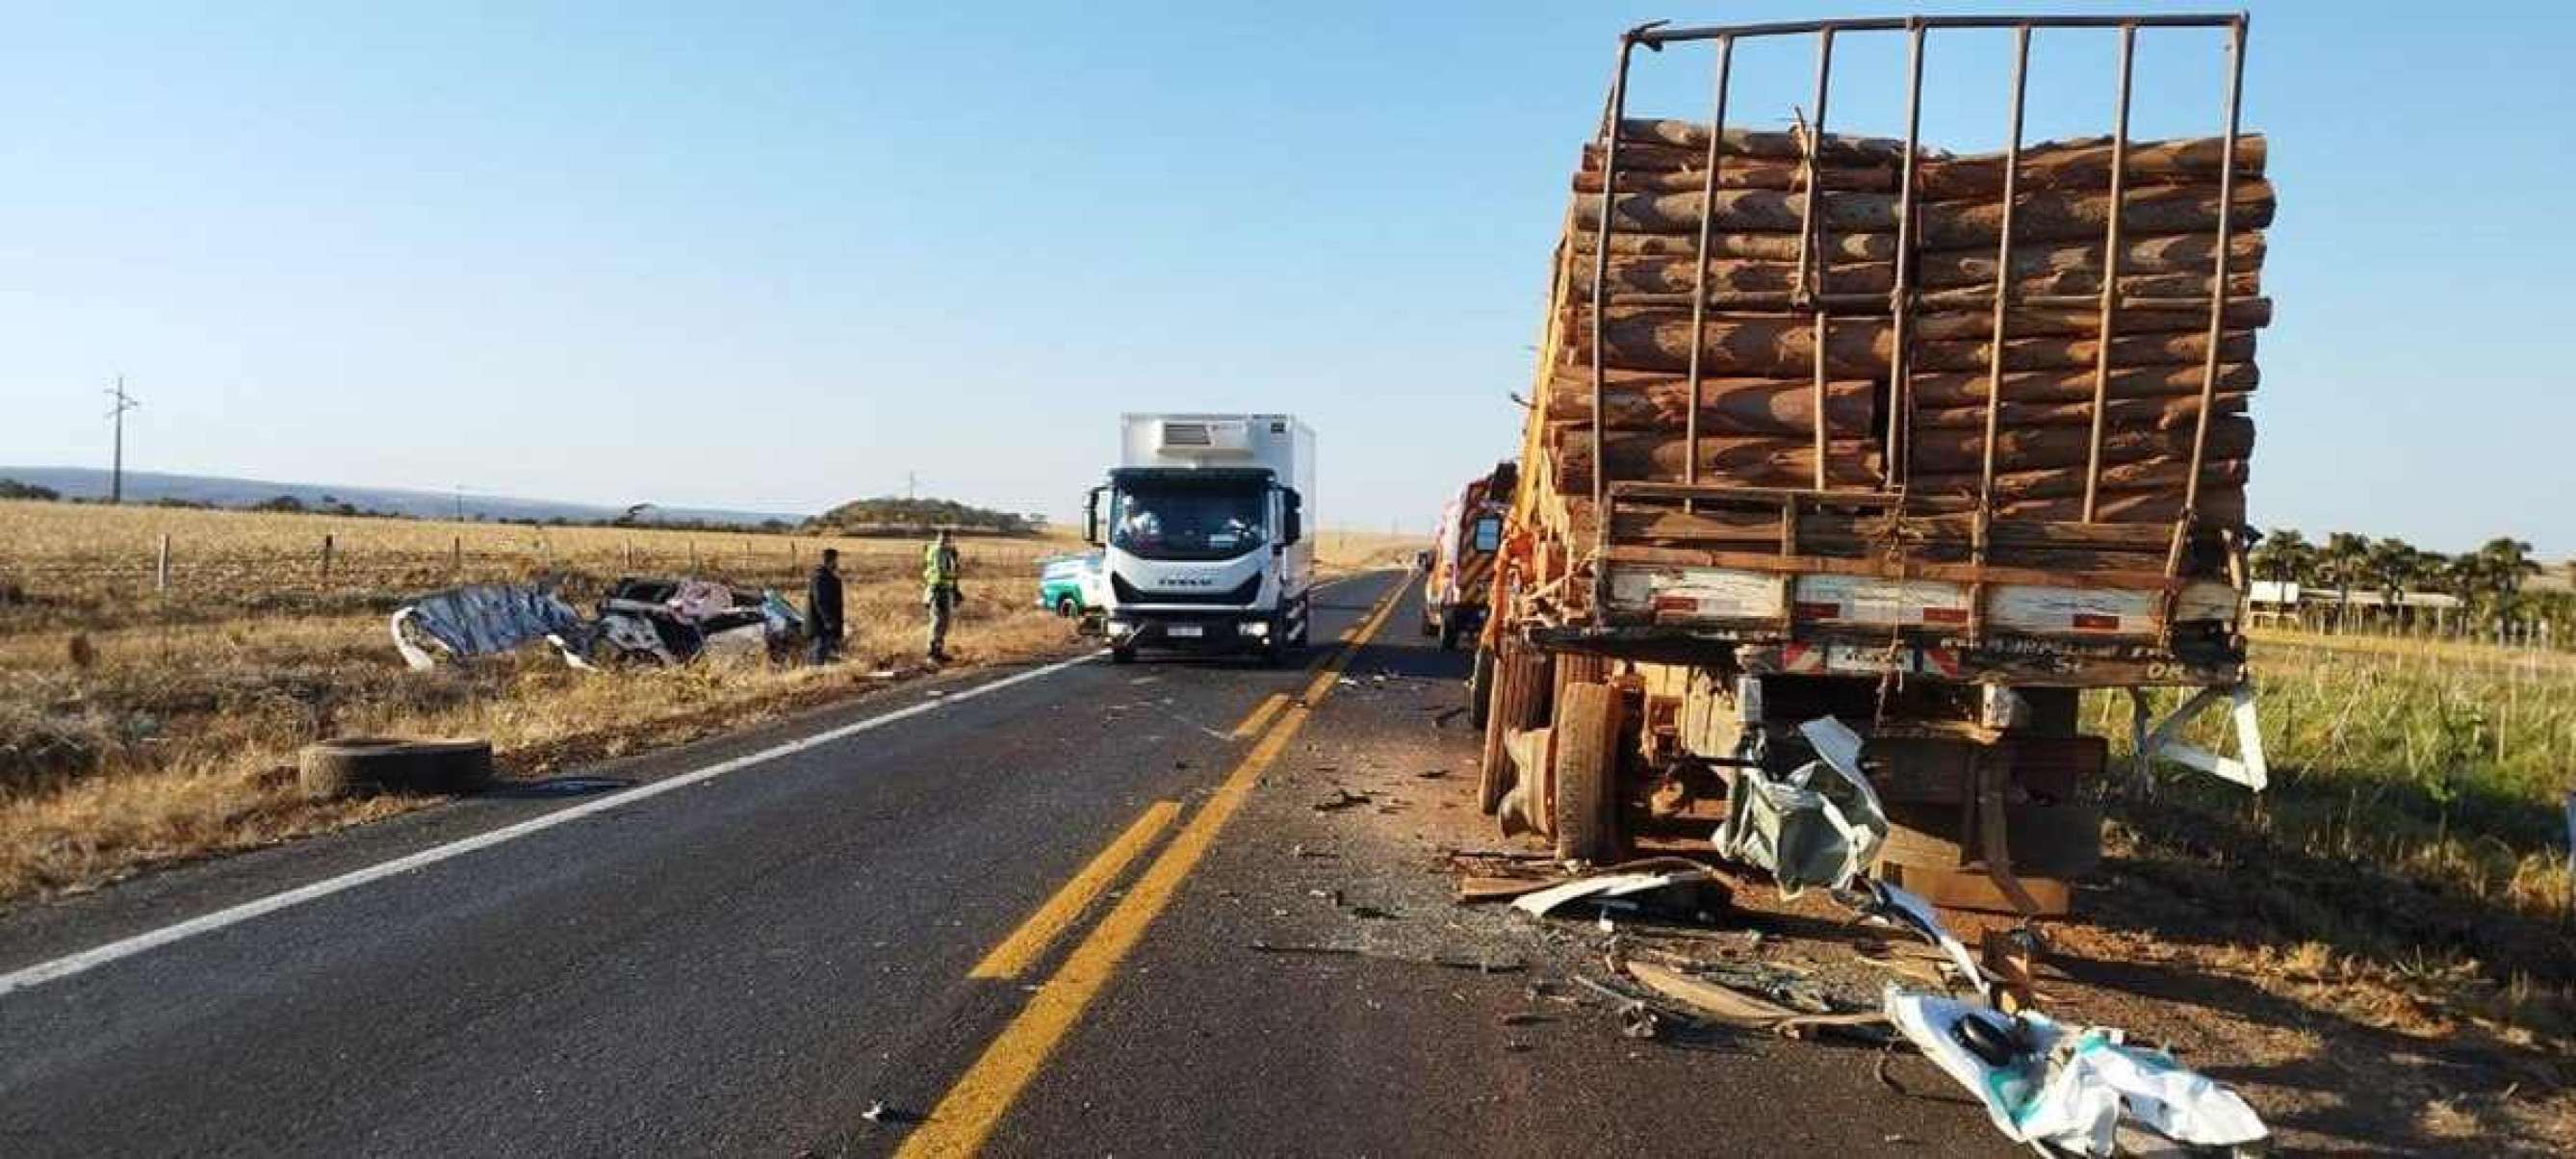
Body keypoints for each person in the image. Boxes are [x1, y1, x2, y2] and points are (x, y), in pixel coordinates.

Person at [922, 530, 962, 661]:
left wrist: (955, 588)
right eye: (948, 540)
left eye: (950, 540)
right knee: (938, 621)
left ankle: (938, 651)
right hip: (938, 590)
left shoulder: (946, 552)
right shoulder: (938, 552)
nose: (950, 543)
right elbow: (941, 573)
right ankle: (931, 653)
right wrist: (955, 574)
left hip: (945, 589)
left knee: (944, 622)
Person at [807, 548, 844, 664]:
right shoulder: (821, 578)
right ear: (831, 560)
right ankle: (815, 676)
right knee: (818, 658)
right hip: (821, 626)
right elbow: (820, 602)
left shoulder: (826, 576)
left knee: (825, 657)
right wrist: (828, 621)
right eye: (836, 560)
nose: (837, 563)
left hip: (825, 625)